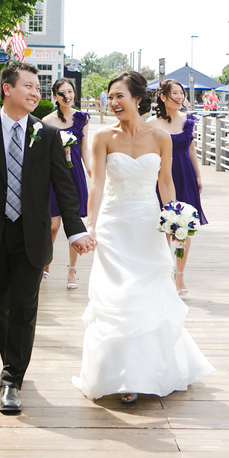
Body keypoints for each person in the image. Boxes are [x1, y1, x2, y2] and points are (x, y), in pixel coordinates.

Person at [0, 61, 95, 415]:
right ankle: (12, 360)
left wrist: (75, 228)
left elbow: (64, 189)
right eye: (29, 86)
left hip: (32, 234)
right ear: (8, 89)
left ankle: (12, 378)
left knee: (24, 304)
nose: (36, 93)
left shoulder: (48, 135)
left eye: (38, 88)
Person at [73, 71, 214, 404]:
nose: (113, 102)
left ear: (138, 99)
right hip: (114, 223)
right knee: (115, 297)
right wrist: (90, 225)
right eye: (110, 97)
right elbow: (97, 183)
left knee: (149, 291)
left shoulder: (160, 137)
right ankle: (118, 374)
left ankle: (147, 371)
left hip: (148, 223)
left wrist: (174, 216)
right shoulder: (103, 137)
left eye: (119, 96)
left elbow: (165, 182)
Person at [148, 79, 206, 295]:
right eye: (175, 93)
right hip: (161, 175)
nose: (180, 97)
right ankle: (163, 270)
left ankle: (179, 276)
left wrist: (198, 175)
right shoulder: (151, 123)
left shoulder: (188, 119)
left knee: (185, 225)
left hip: (185, 173)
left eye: (182, 93)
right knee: (164, 225)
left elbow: (191, 149)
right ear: (163, 97)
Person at [43, 78, 91, 288]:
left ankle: (72, 271)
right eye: (62, 93)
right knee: (53, 225)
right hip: (53, 175)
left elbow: (85, 148)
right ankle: (45, 262)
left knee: (75, 225)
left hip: (75, 173)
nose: (67, 96)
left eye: (70, 92)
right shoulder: (46, 121)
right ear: (55, 96)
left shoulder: (82, 118)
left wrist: (90, 168)